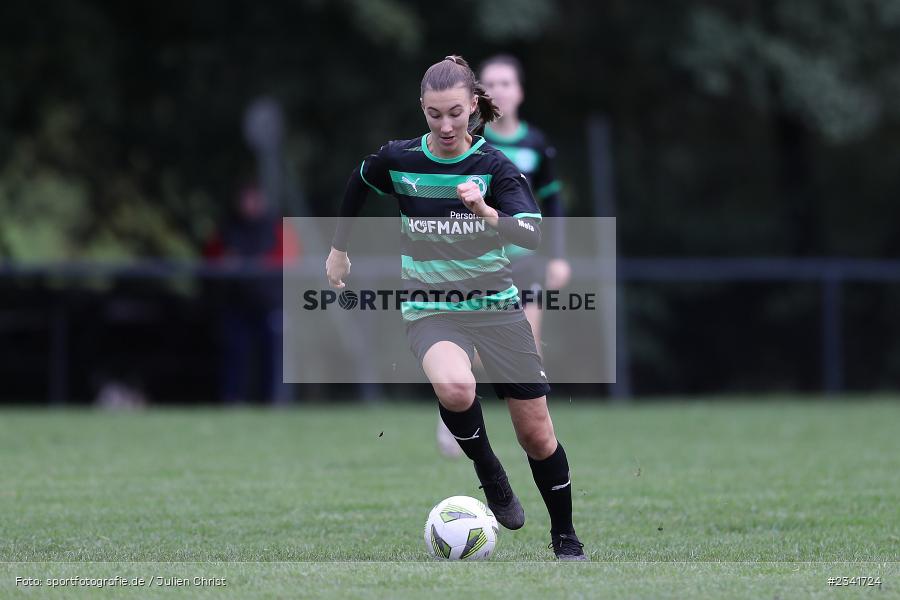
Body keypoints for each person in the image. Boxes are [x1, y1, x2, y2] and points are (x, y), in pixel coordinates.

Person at [325, 55, 586, 560]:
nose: (445, 126)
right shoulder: (401, 159)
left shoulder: (494, 167)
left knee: (536, 434)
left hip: (497, 308)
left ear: (474, 108)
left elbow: (532, 232)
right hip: (430, 307)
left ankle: (565, 538)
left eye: (455, 114)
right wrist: (339, 249)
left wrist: (487, 212)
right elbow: (358, 182)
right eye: (433, 114)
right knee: (455, 385)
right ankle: (489, 470)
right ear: (422, 110)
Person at [435, 54, 572, 458]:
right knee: (474, 354)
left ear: (520, 92)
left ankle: (536, 426)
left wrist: (558, 256)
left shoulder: (536, 144)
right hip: (479, 263)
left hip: (525, 259)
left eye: (506, 83)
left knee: (527, 343)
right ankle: (453, 404)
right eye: (489, 83)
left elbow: (554, 202)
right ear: (478, 96)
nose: (498, 90)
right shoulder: (470, 143)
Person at [205, 182, 299, 405]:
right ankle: (232, 400)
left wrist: (256, 265)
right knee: (234, 354)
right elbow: (212, 257)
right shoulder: (228, 228)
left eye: (252, 199)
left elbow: (290, 259)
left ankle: (273, 401)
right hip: (236, 303)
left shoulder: (275, 228)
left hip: (269, 303)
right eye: (244, 199)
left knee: (273, 355)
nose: (247, 205)